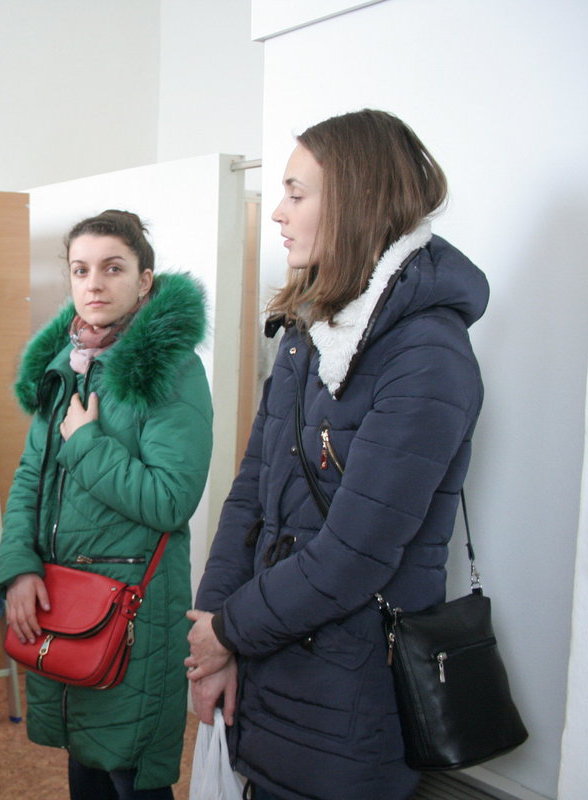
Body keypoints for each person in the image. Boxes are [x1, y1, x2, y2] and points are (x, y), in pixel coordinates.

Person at [187, 109, 489, 800]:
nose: (278, 212)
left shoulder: (429, 354)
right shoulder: (310, 333)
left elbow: (355, 554)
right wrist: (213, 633)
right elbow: (250, 493)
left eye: (296, 193)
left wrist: (231, 630)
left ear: (355, 198)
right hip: (268, 659)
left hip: (348, 696)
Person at [0, 210, 213, 800]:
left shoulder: (171, 369)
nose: (93, 283)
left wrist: (87, 444)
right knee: (86, 764)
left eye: (112, 268)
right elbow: (29, 479)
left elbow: (171, 500)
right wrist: (18, 567)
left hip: (131, 613)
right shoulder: (65, 365)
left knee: (130, 772)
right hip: (65, 601)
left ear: (144, 281)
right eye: (80, 270)